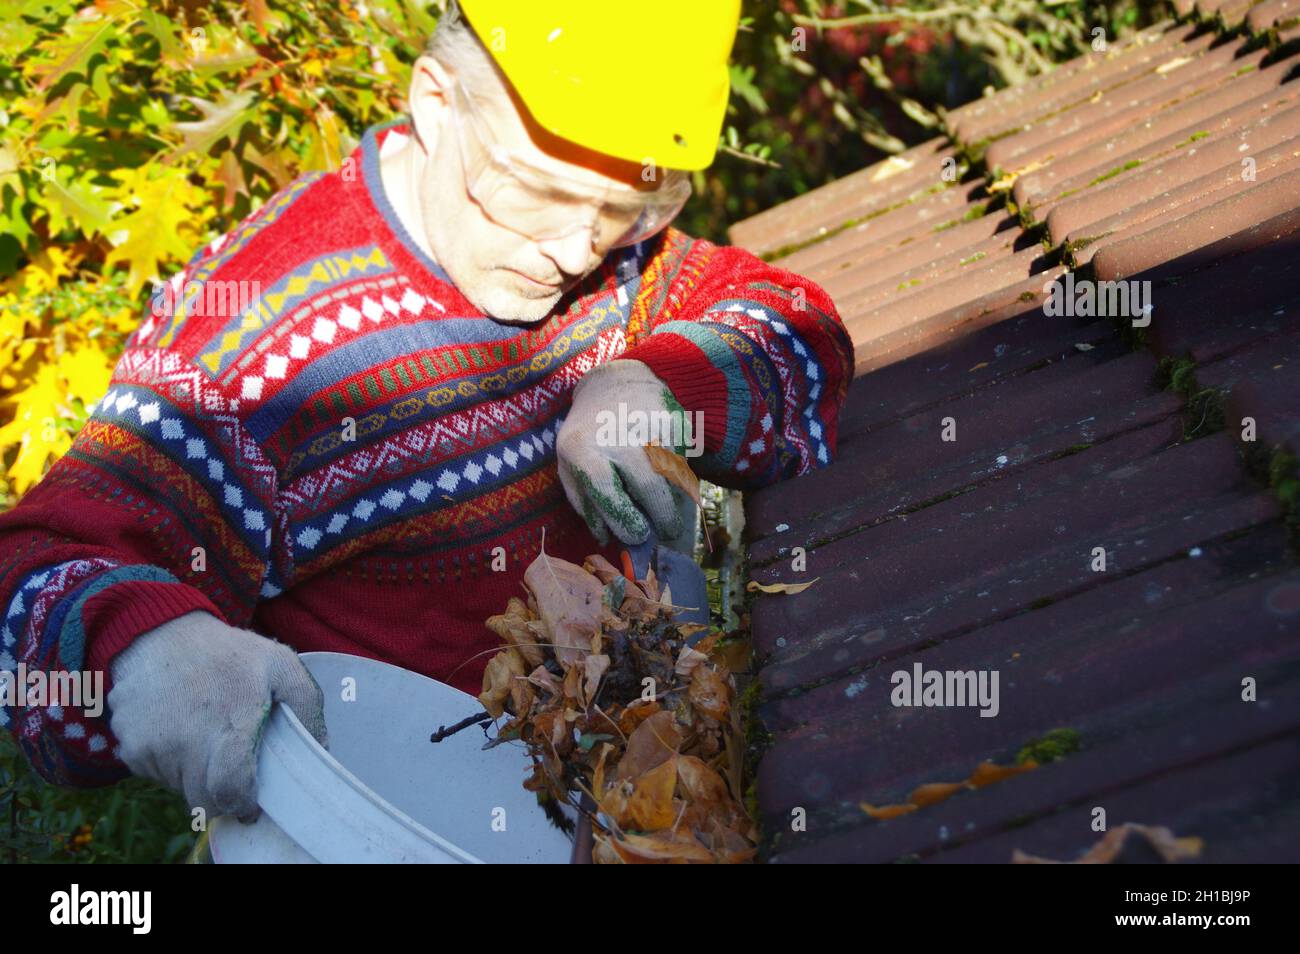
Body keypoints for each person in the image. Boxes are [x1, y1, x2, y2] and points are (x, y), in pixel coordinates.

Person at [0, 0, 853, 824]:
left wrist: (654, 383)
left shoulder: (613, 261)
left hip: (622, 783)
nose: (569, 250)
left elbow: (800, 329)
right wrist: (146, 653)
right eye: (536, 195)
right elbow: (34, 572)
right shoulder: (257, 338)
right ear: (436, 105)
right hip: (379, 824)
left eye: (624, 208)